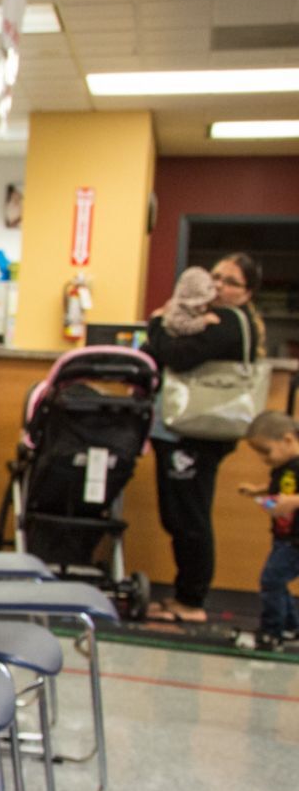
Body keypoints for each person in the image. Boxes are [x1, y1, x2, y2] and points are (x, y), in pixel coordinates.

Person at [145, 252, 266, 624]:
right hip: (184, 433)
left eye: (230, 282)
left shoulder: (229, 321)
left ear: (246, 293)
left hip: (196, 437)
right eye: (214, 277)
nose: (218, 286)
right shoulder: (208, 318)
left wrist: (155, 323)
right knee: (179, 514)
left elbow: (175, 355)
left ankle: (191, 601)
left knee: (189, 517)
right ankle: (185, 594)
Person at [235, 411, 299, 652]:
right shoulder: (285, 466)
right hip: (284, 537)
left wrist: (292, 503)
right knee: (277, 582)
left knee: (271, 581)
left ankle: (272, 630)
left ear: (288, 440)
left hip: (295, 540)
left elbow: (290, 495)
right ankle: (290, 626)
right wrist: (258, 490)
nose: (264, 459)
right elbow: (279, 488)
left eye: (266, 451)